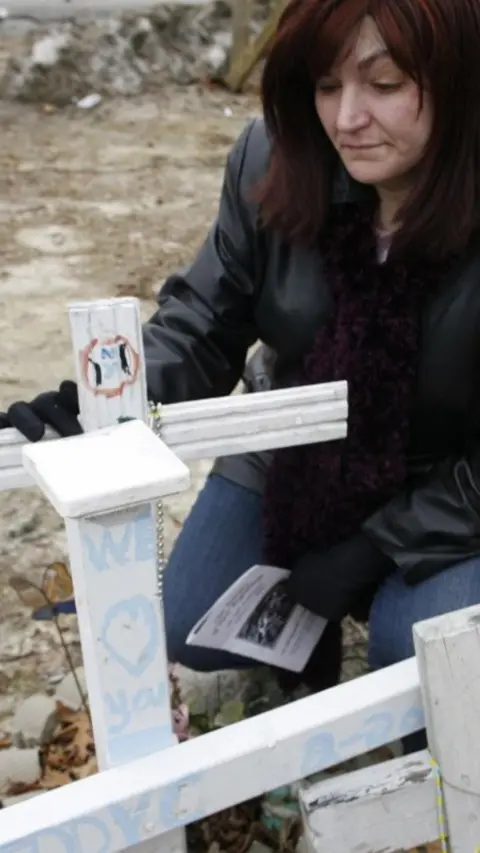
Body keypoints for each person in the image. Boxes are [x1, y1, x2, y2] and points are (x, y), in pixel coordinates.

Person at [3, 0, 480, 724]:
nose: (347, 118)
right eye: (327, 85)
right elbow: (201, 323)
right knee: (189, 618)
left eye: (383, 86)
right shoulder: (274, 160)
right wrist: (105, 397)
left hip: (449, 474)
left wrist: (376, 548)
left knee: (419, 651)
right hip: (295, 449)